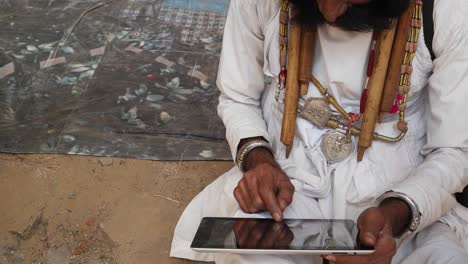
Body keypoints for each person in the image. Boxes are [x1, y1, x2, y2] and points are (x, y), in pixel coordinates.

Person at [171, 0, 468, 263]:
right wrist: (259, 160)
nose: (328, 10)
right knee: (253, 253)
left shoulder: (446, 9)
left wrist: (397, 213)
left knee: (445, 256)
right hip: (291, 175)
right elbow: (238, 97)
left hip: (401, 183)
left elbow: (455, 150)